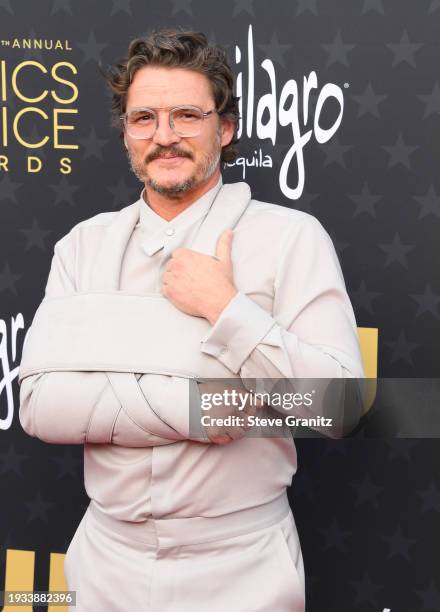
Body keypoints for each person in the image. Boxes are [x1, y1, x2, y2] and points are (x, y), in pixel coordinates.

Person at [18, 28, 365, 612]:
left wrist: (225, 308)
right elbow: (40, 406)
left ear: (225, 129)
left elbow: (338, 408)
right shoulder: (80, 247)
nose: (164, 136)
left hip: (244, 565)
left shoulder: (291, 239)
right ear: (126, 134)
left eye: (186, 115)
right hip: (103, 563)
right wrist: (203, 408)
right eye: (144, 118)